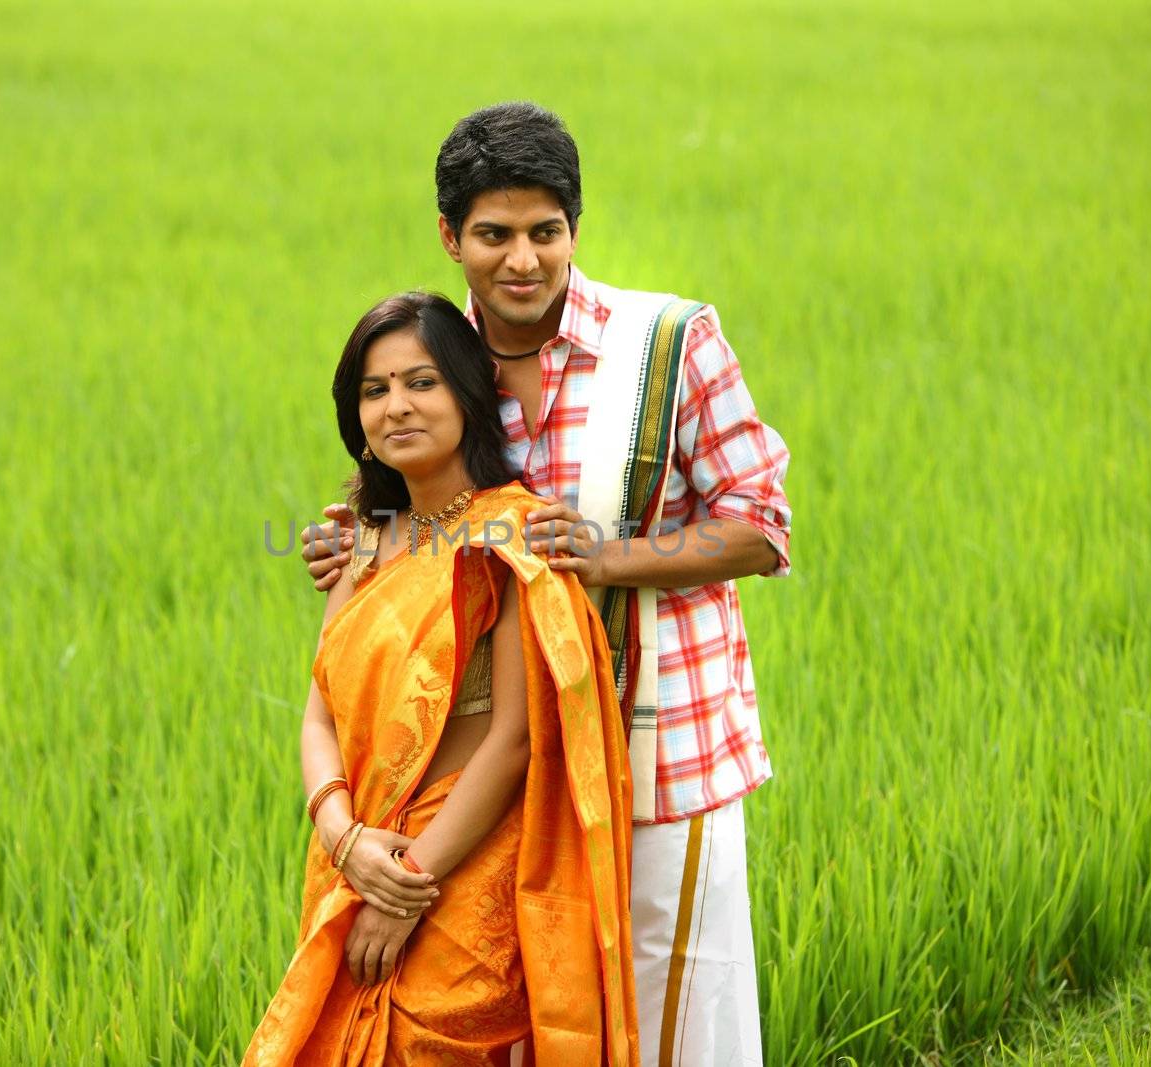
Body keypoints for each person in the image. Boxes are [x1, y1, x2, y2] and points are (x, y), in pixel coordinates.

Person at [301, 103, 792, 1066]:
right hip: (497, 788)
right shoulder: (443, 362)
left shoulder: (668, 345)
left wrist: (608, 558)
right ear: (451, 237)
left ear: (575, 227)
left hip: (663, 755)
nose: (521, 259)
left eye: (544, 233)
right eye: (493, 235)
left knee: (676, 1007)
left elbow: (761, 527)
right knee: (536, 1027)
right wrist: (349, 539)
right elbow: (402, 515)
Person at [244, 292, 638, 1065]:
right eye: (374, 389)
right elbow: (319, 713)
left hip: (458, 867)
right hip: (356, 858)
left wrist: (410, 884)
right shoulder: (360, 543)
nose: (397, 406)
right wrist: (344, 837)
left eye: (421, 382)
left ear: (467, 391)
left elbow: (517, 738)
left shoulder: (512, 534)